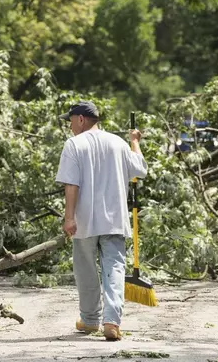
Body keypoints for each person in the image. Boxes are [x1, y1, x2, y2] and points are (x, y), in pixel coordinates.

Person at [55, 101, 147, 341]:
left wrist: (69, 217)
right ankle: (111, 321)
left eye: (71, 120)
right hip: (115, 219)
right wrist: (135, 141)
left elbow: (71, 184)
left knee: (85, 268)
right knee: (115, 268)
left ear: (81, 119)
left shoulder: (74, 144)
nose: (70, 126)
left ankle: (90, 320)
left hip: (84, 221)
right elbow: (140, 169)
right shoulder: (119, 143)